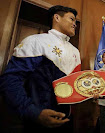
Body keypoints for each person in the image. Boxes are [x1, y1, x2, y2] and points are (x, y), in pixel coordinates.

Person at [0, 5, 81, 133]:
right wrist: (33, 113)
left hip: (67, 120)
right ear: (57, 18)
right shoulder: (35, 42)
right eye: (72, 19)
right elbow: (10, 80)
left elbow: (76, 86)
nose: (75, 24)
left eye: (76, 21)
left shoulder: (76, 51)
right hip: (38, 120)